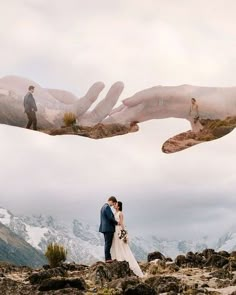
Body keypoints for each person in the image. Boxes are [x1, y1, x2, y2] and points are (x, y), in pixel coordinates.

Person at [111, 201, 143, 277]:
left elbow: (122, 224)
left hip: (118, 230)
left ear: (118, 206)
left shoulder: (120, 213)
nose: (114, 205)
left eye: (116, 205)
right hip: (114, 230)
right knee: (116, 245)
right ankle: (117, 258)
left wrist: (124, 234)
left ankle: (125, 261)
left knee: (121, 245)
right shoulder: (115, 213)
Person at [99, 196, 119, 263]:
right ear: (111, 201)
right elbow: (110, 217)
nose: (112, 205)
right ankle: (108, 259)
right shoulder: (107, 207)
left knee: (107, 243)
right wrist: (116, 223)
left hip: (105, 228)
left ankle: (108, 258)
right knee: (108, 244)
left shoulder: (103, 207)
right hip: (108, 228)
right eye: (113, 204)